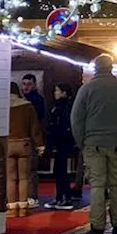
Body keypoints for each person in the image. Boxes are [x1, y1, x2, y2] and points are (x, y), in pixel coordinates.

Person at [70, 54, 117, 234]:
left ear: (95, 68)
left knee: (97, 185)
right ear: (111, 67)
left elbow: (76, 118)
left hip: (93, 144)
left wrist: (82, 142)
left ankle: (97, 228)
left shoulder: (86, 89)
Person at [6, 82, 44, 218]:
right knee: (23, 178)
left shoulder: (2, 106)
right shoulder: (27, 106)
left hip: (8, 144)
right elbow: (35, 127)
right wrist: (40, 145)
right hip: (24, 145)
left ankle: (11, 208)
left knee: (10, 178)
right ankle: (23, 207)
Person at [44, 82, 78, 210]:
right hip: (61, 142)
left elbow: (59, 125)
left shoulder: (62, 107)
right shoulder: (63, 106)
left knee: (61, 171)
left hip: (61, 142)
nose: (55, 93)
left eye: (57, 90)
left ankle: (65, 197)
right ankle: (60, 197)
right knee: (59, 170)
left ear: (64, 92)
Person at [19, 73, 46, 209]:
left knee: (30, 170)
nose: (25, 87)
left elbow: (38, 122)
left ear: (34, 85)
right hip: (27, 138)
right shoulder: (27, 101)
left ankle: (31, 196)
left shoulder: (36, 101)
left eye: (28, 84)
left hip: (29, 138)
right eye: (23, 84)